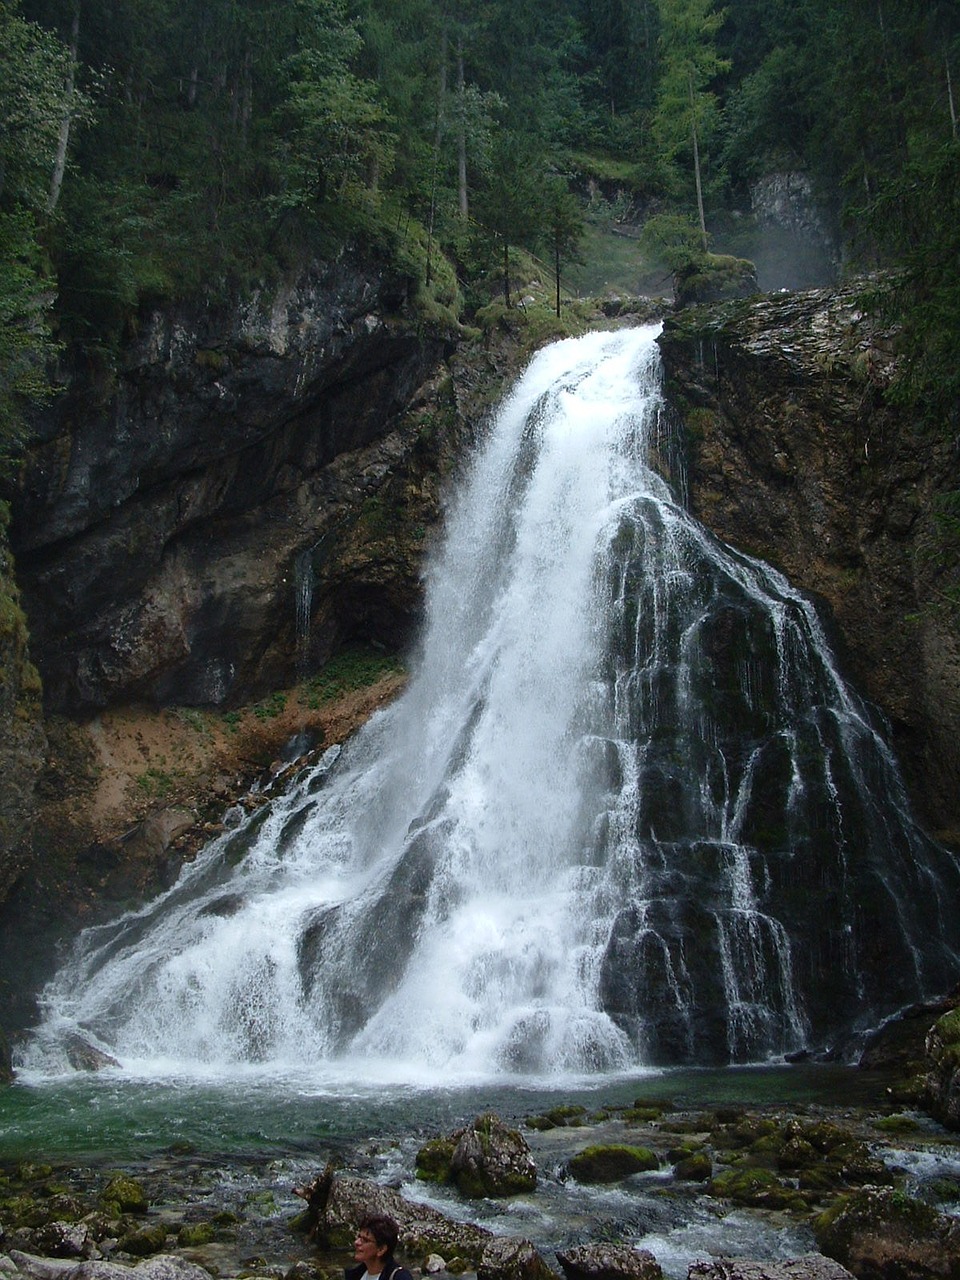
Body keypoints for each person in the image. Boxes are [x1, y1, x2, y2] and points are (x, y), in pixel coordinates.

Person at [344, 1213, 414, 1280]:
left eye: (365, 1240)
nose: (357, 1242)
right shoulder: (355, 1275)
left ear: (381, 1249)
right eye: (359, 1237)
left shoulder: (400, 1277)